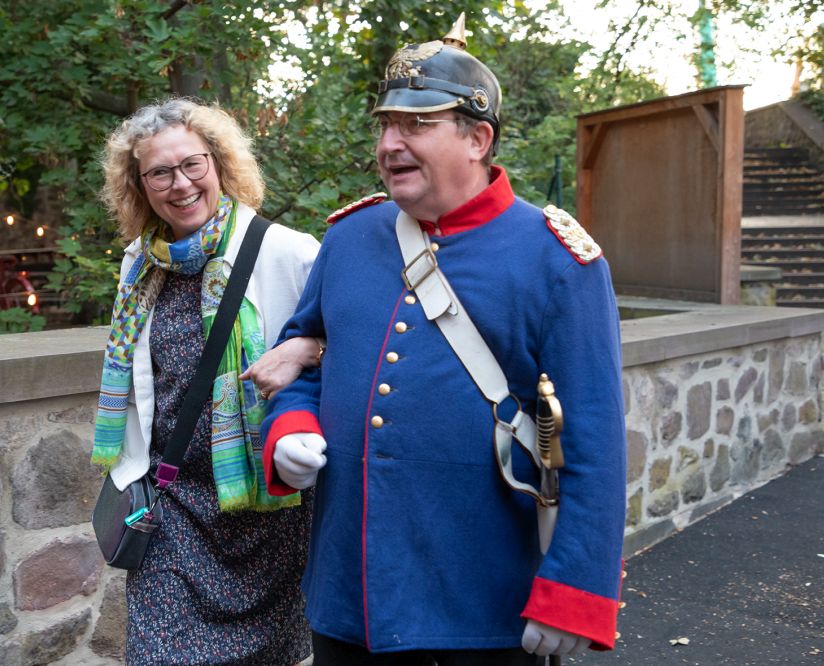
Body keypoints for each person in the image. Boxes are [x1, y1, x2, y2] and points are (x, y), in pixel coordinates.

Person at [261, 15, 627, 666]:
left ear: (477, 138)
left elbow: (595, 440)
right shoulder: (349, 238)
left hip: (483, 606)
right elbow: (303, 358)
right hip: (350, 594)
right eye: (385, 124)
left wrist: (575, 588)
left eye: (416, 125)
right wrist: (289, 426)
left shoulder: (557, 260)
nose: (389, 143)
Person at [90, 98, 322, 665]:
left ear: (219, 164)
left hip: (268, 510)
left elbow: (353, 344)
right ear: (140, 186)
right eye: (160, 173)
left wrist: (307, 347)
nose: (181, 184)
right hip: (172, 505)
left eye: (193, 164)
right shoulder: (138, 263)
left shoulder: (287, 251)